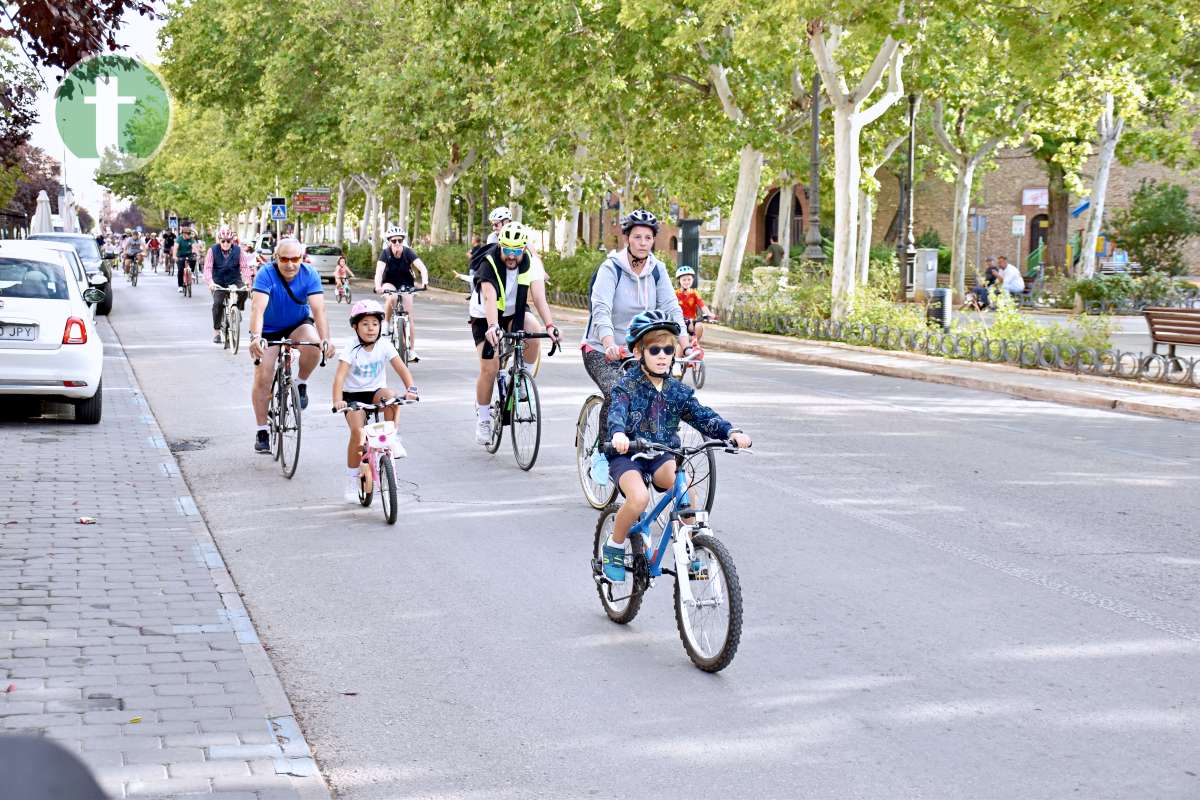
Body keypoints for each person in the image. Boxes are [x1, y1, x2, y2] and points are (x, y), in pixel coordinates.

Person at [600, 311, 752, 582]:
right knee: (638, 499)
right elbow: (617, 414)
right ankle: (614, 544)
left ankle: (692, 551)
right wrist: (619, 434)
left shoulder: (677, 391)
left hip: (662, 454)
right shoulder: (626, 387)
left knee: (687, 492)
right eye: (655, 349)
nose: (662, 355)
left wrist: (730, 430)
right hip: (628, 454)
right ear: (639, 352)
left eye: (668, 349)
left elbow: (702, 415)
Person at [581, 208, 689, 445]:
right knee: (616, 392)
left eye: (648, 238)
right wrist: (609, 344)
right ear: (627, 238)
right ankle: (604, 451)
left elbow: (672, 307)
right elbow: (601, 310)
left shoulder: (657, 270)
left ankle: (660, 454)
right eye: (637, 237)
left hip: (641, 350)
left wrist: (686, 346)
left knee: (665, 396)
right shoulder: (611, 268)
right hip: (602, 349)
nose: (643, 243)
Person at [468, 221, 560, 445]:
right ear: (500, 246)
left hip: (514, 311)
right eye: (507, 249)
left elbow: (538, 298)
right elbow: (489, 297)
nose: (511, 256)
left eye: (516, 251)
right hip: (484, 316)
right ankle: (483, 419)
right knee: (490, 368)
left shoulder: (532, 264)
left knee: (533, 329)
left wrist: (550, 326)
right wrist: (492, 327)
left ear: (524, 249)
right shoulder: (488, 262)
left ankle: (521, 383)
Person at [247, 237, 335, 453]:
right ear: (275, 258)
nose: (290, 264)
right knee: (263, 375)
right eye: (284, 259)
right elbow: (258, 309)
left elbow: (319, 310)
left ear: (301, 258)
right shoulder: (265, 274)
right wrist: (256, 337)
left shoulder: (310, 274)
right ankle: (262, 431)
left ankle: (301, 382)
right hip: (268, 328)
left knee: (314, 344)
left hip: (297, 323)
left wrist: (326, 340)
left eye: (295, 259)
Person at [331, 299, 419, 502]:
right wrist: (338, 400)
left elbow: (401, 368)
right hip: (353, 397)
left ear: (380, 326)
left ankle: (392, 438)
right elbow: (339, 377)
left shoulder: (384, 345)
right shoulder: (351, 348)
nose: (371, 328)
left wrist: (411, 389)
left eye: (375, 324)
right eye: (365, 324)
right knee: (357, 432)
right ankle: (352, 481)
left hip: (375, 392)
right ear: (355, 327)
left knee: (392, 396)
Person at [372, 225, 429, 360]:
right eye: (394, 241)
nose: (397, 243)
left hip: (406, 284)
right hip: (389, 282)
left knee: (409, 316)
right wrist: (377, 286)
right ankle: (385, 324)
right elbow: (379, 272)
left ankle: (411, 351)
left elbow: (422, 268)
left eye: (400, 240)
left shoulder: (408, 252)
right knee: (391, 298)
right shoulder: (385, 253)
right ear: (389, 242)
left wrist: (425, 282)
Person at [204, 226, 256, 343]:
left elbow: (244, 267)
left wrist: (248, 281)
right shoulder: (212, 250)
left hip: (234, 279)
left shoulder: (238, 250)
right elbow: (207, 268)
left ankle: (236, 309)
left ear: (232, 241)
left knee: (243, 291)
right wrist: (211, 283)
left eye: (228, 241)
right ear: (219, 240)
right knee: (217, 304)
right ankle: (217, 332)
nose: (226, 243)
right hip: (218, 281)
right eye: (223, 241)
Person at [674, 265, 709, 344]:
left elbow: (702, 305)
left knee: (699, 326)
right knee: (680, 344)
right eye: (684, 280)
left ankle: (695, 344)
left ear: (693, 280)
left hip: (691, 322)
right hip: (678, 321)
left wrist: (709, 314)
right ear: (679, 280)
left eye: (689, 279)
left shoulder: (694, 293)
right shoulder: (675, 294)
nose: (687, 282)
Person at [173, 227, 197, 292]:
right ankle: (180, 286)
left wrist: (195, 253)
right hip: (180, 255)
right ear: (183, 234)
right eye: (188, 234)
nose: (189, 235)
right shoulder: (179, 239)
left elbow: (194, 247)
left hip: (189, 254)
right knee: (180, 270)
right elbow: (175, 248)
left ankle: (191, 272)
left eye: (190, 233)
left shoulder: (191, 239)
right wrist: (174, 256)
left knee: (194, 259)